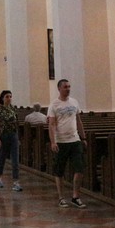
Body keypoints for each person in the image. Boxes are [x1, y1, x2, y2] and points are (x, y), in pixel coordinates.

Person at [48, 79, 87, 208]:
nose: (68, 89)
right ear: (59, 88)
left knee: (79, 168)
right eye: (65, 87)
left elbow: (78, 120)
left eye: (69, 86)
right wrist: (53, 141)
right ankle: (61, 197)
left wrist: (83, 137)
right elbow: (52, 124)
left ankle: (75, 196)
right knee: (59, 170)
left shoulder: (74, 102)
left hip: (75, 140)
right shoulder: (54, 105)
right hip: (61, 141)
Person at [0, 90, 22, 191]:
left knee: (15, 160)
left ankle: (16, 182)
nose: (9, 98)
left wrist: (17, 137)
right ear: (2, 98)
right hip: (3, 136)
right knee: (2, 157)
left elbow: (16, 124)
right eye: (7, 97)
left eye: (10, 96)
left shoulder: (13, 109)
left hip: (13, 135)